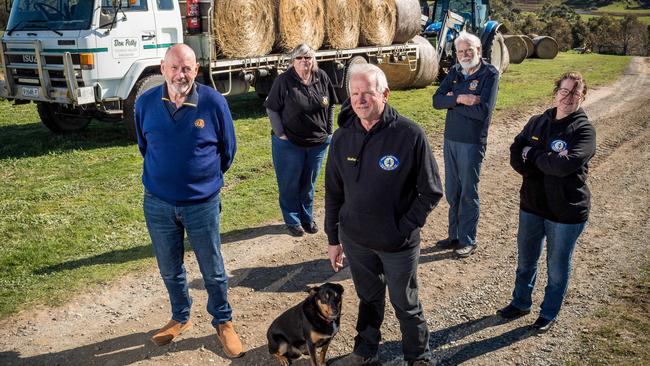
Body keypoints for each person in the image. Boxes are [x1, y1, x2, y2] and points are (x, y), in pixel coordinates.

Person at [325, 64, 443, 366]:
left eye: (367, 93)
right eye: (354, 94)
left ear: (385, 94)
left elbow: (431, 191)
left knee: (406, 303)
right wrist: (333, 238)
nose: (360, 99)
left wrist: (402, 228)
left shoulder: (409, 134)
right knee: (369, 298)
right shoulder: (341, 138)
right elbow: (334, 192)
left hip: (397, 243)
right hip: (357, 241)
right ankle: (365, 350)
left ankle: (418, 357)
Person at [134, 44, 243, 357]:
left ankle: (223, 321)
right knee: (170, 268)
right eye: (174, 67)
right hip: (158, 203)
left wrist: (203, 182)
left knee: (213, 268)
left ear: (196, 70)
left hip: (201, 204)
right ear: (162, 68)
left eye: (187, 68)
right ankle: (180, 316)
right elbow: (145, 145)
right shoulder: (145, 103)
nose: (180, 74)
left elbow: (228, 149)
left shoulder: (213, 102)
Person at [497, 72, 596, 332]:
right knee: (526, 260)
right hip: (532, 204)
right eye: (564, 91)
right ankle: (520, 303)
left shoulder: (584, 130)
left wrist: (535, 154)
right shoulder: (537, 122)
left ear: (582, 97)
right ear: (556, 92)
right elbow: (516, 151)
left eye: (575, 93)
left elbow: (566, 166)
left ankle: (548, 313)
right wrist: (543, 161)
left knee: (557, 267)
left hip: (565, 212)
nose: (568, 97)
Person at [432, 31, 500, 258]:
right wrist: (460, 98)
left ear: (478, 50)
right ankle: (454, 236)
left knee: (468, 193)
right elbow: (436, 101)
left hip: (471, 142)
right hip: (450, 139)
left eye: (469, 50)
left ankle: (468, 239)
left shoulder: (489, 74)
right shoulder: (454, 71)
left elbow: (482, 112)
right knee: (453, 191)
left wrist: (452, 100)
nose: (464, 54)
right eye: (460, 51)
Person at [264, 44, 339, 237]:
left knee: (309, 183)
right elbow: (272, 108)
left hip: (318, 143)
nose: (304, 61)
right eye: (299, 58)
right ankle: (292, 220)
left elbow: (330, 104)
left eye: (308, 57)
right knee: (290, 183)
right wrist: (280, 134)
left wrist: (329, 130)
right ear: (293, 61)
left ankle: (307, 217)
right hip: (290, 144)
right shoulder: (284, 81)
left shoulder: (321, 77)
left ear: (313, 59)